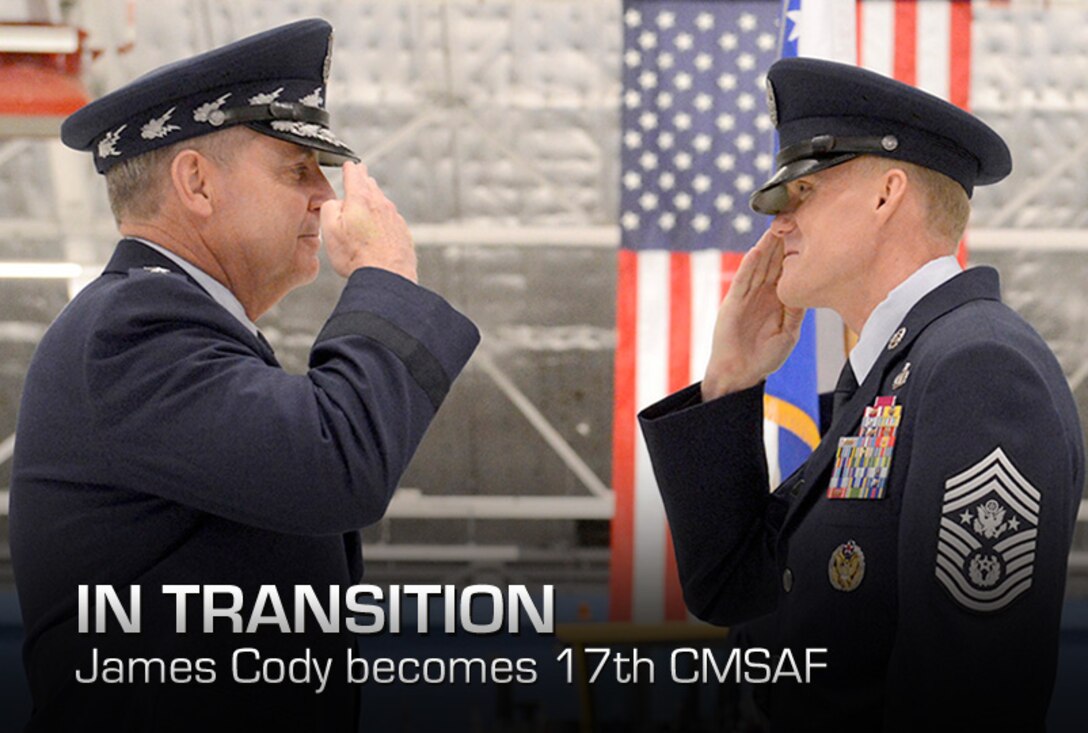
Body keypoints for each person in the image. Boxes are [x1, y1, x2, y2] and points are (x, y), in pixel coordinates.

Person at [9, 19, 479, 732]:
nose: (324, 196)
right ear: (196, 183)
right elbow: (335, 461)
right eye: (297, 167)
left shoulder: (175, 332)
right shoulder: (131, 330)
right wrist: (386, 277)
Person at [639, 58, 1084, 730]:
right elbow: (736, 588)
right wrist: (730, 381)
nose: (777, 222)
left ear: (886, 195)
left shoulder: (976, 369)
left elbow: (968, 696)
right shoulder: (894, 375)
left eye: (802, 192)